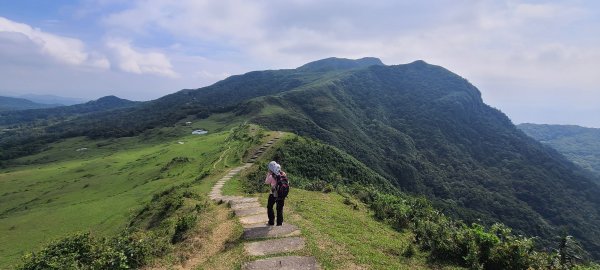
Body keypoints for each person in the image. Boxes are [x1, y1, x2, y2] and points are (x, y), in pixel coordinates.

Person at [265, 161, 286, 226]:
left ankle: (271, 222)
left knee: (270, 207)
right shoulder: (283, 173)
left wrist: (268, 174)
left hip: (273, 194)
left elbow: (266, 182)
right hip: (282, 194)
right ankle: (279, 223)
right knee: (279, 208)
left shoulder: (271, 176)